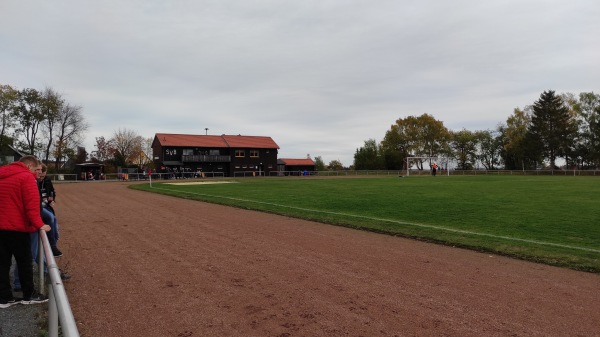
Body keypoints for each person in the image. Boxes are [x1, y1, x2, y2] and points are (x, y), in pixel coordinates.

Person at [0, 155, 51, 308]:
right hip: (17, 228)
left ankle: (4, 298)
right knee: (24, 262)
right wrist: (40, 224)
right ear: (29, 166)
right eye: (36, 170)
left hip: (1, 228)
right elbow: (32, 206)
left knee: (2, 263)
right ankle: (29, 294)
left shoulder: (2, 174)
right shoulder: (26, 177)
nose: (37, 173)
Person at [38, 164, 62, 257]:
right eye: (41, 174)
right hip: (39, 207)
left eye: (44, 174)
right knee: (50, 217)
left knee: (55, 222)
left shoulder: (47, 180)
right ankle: (51, 246)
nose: (42, 177)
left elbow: (52, 191)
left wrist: (52, 199)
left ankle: (54, 244)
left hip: (46, 205)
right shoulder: (34, 180)